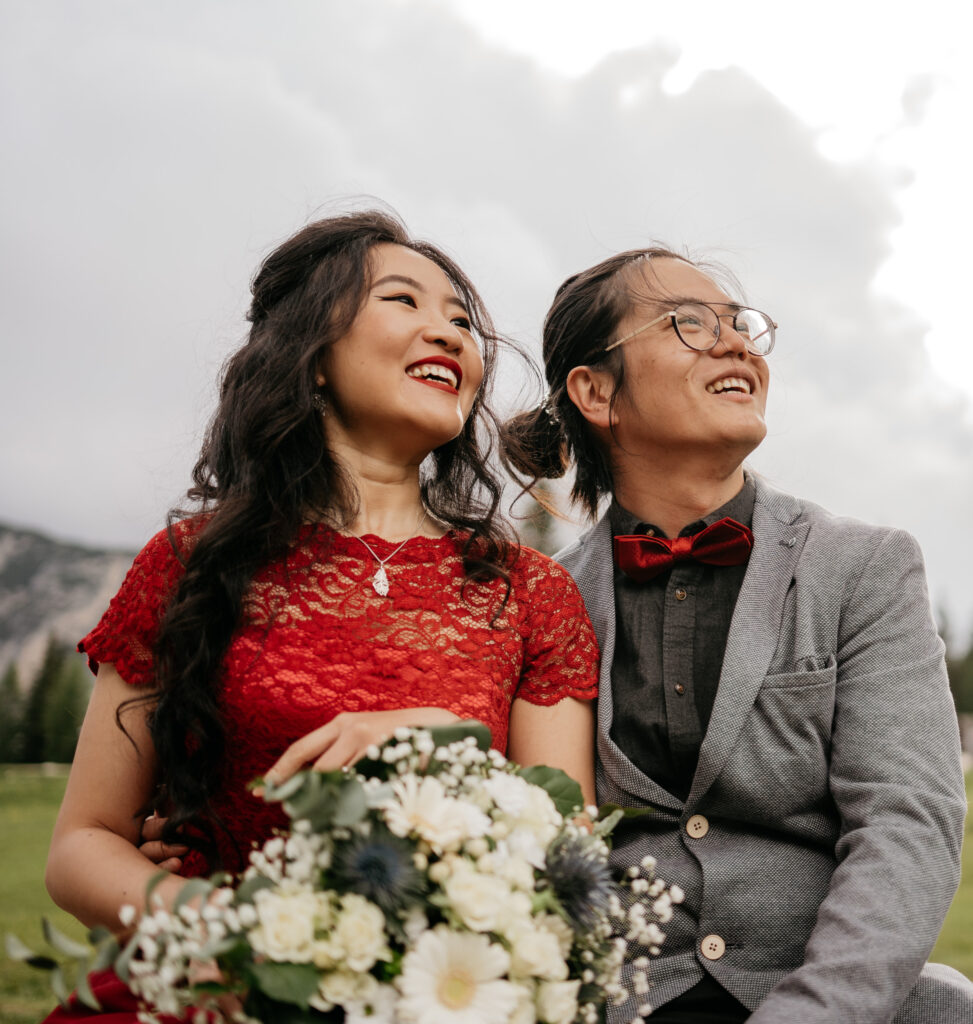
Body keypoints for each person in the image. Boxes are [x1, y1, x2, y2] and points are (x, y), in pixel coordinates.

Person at [42, 210, 598, 1022]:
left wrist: (451, 737)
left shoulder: (531, 592)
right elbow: (80, 846)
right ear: (312, 358)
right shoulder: (188, 565)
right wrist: (241, 937)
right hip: (212, 991)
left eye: (462, 321)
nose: (447, 334)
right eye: (404, 302)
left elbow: (563, 846)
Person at [501, 247, 972, 1023]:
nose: (736, 345)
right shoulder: (545, 598)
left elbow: (907, 823)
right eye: (688, 323)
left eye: (740, 324)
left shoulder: (864, 567)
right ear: (594, 390)